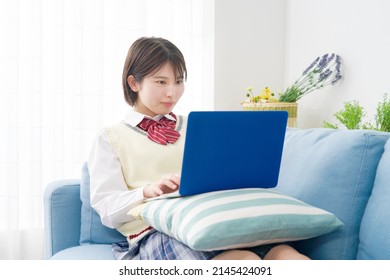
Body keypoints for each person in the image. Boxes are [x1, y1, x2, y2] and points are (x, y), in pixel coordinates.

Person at [88, 36, 309, 260]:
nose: (171, 93)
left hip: (218, 220)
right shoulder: (110, 138)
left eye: (178, 81)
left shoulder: (198, 126)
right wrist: (146, 191)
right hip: (159, 232)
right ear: (134, 83)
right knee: (245, 261)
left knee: (287, 255)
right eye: (161, 82)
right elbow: (106, 208)